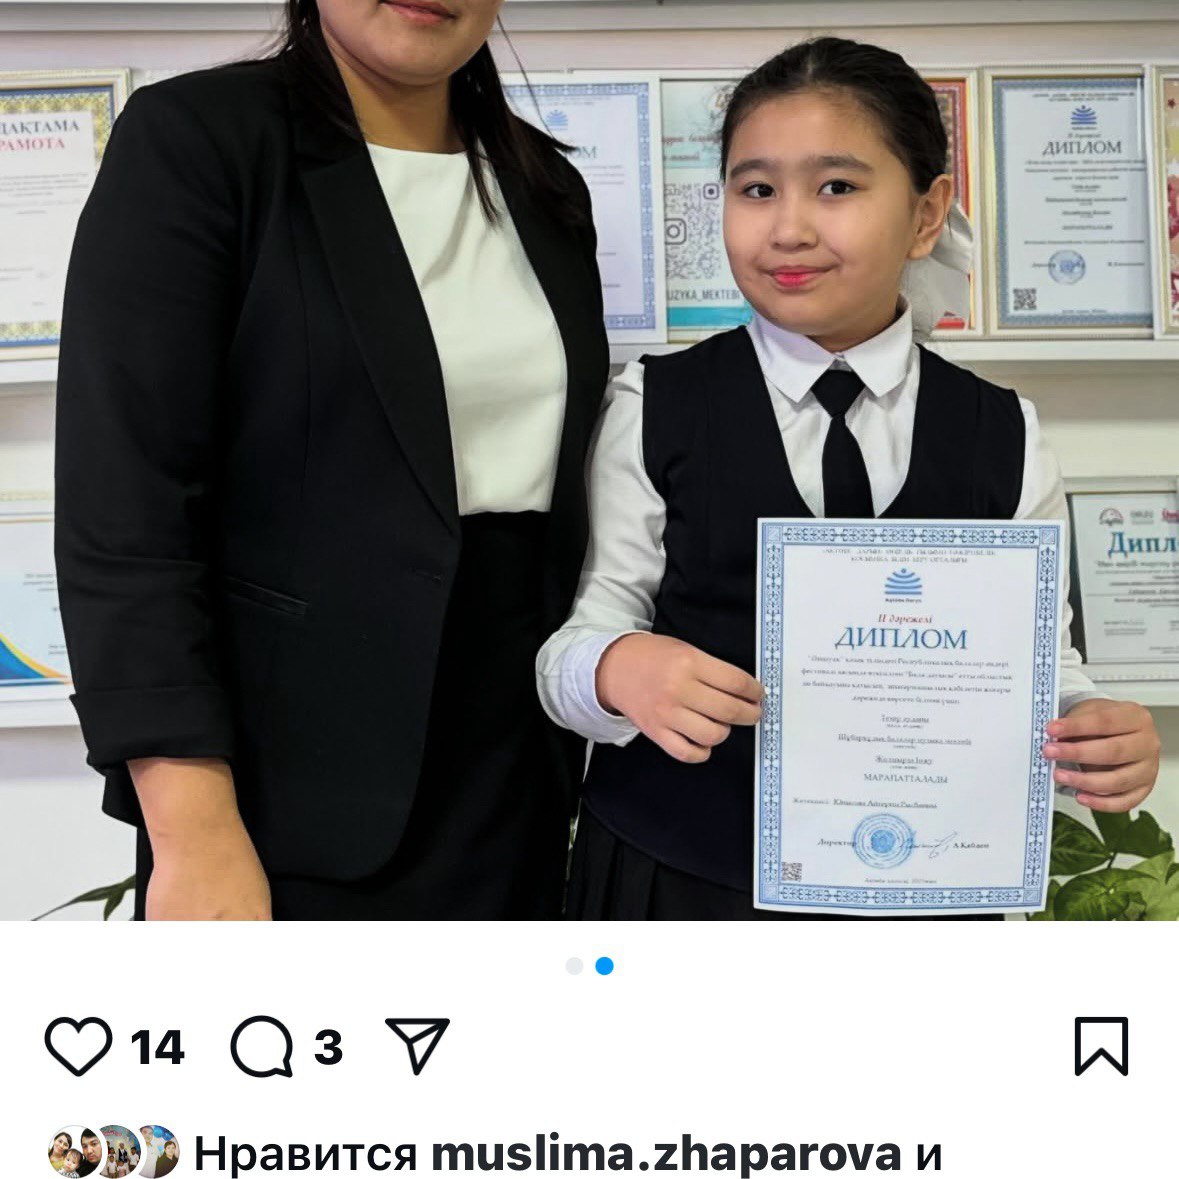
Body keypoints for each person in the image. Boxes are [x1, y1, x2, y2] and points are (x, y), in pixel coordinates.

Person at [538, 36, 1162, 920]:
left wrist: (1094, 724)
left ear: (925, 212)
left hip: (925, 898)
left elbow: (1041, 662)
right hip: (677, 883)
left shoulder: (1002, 431)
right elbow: (576, 640)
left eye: (836, 186)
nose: (788, 227)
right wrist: (613, 668)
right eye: (756, 189)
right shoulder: (654, 402)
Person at [55, 0, 608, 919]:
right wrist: (192, 827)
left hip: (515, 766)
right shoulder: (204, 140)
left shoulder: (544, 183)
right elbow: (126, 508)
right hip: (288, 788)